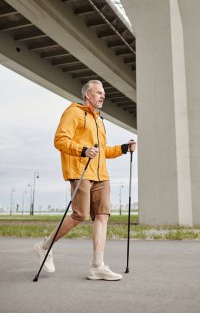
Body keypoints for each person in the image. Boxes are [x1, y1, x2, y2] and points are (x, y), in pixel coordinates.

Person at [33, 80, 136, 281]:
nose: (102, 96)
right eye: (98, 93)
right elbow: (60, 140)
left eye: (103, 93)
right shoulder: (74, 112)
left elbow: (102, 151)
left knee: (102, 215)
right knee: (80, 215)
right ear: (87, 95)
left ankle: (98, 266)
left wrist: (123, 148)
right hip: (81, 170)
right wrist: (82, 150)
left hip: (101, 175)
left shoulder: (99, 120)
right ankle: (44, 246)